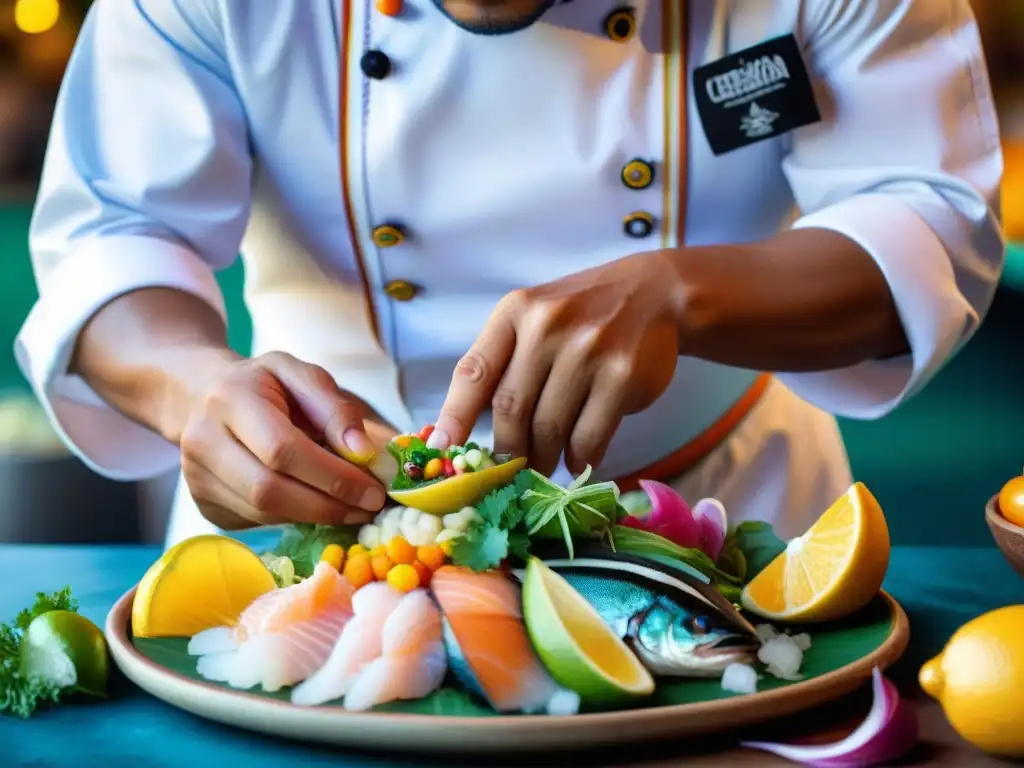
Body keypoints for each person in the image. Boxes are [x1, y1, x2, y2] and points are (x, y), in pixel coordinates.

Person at [16, 0, 1004, 548]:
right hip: (316, 535)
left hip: (723, 523)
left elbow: (929, 222)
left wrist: (682, 294)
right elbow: (116, 231)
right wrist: (198, 393)